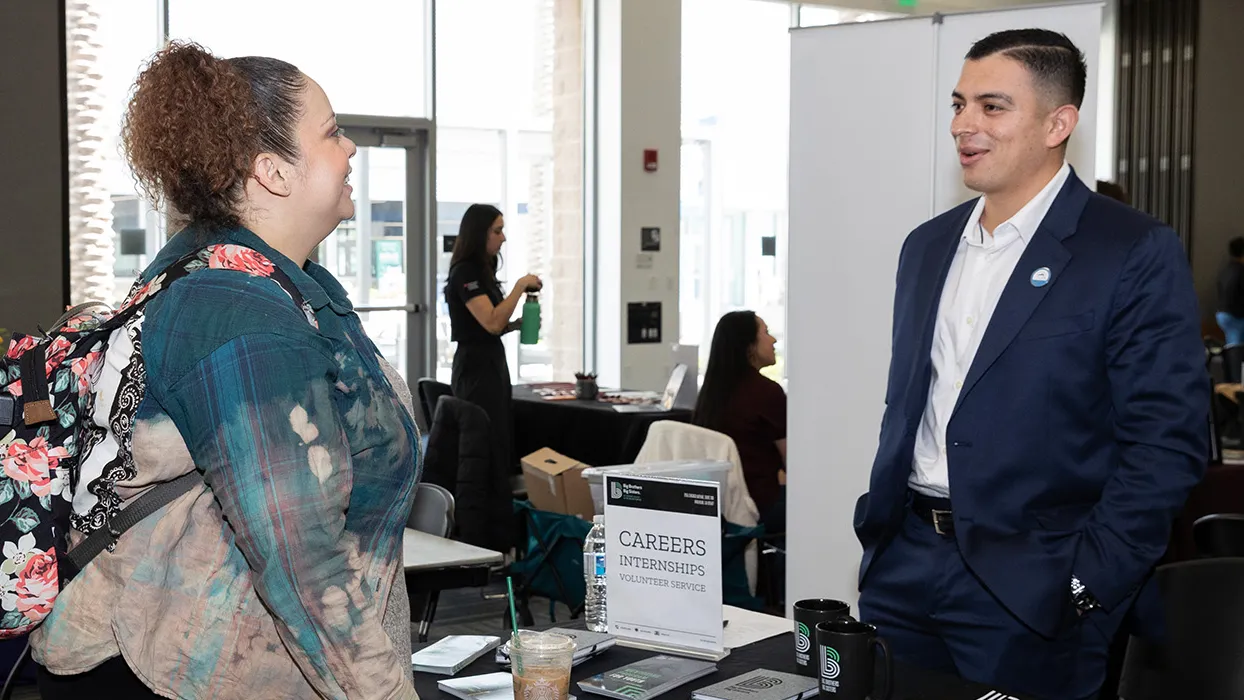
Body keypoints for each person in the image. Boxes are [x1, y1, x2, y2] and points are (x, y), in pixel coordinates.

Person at [30, 42, 420, 699]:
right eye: (331, 134)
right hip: (169, 673)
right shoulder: (234, 307)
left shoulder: (280, 283)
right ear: (272, 171)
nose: (350, 149)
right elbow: (303, 560)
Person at [854, 29, 1208, 700]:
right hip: (905, 567)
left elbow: (1166, 442)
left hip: (1034, 587)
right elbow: (915, 404)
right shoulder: (927, 246)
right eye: (959, 104)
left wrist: (1085, 582)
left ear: (1058, 122)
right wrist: (885, 537)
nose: (964, 125)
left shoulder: (1129, 249)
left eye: (992, 107)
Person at [445, 204, 541, 509]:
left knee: (499, 439)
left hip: (491, 362)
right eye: (497, 231)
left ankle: (498, 516)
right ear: (480, 233)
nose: (503, 238)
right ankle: (480, 517)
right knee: (483, 441)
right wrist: (518, 287)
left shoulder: (483, 272)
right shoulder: (465, 273)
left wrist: (515, 324)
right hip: (475, 368)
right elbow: (491, 321)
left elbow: (495, 325)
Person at [692, 311, 787, 534]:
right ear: (749, 346)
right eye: (766, 332)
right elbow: (794, 462)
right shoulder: (767, 393)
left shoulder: (709, 395)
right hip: (760, 503)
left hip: (719, 502)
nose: (773, 340)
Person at [1216, 237, 1244, 344]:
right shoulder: (1241, 272)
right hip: (1235, 316)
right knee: (1236, 348)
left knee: (1233, 343)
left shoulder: (1225, 270)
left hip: (1222, 314)